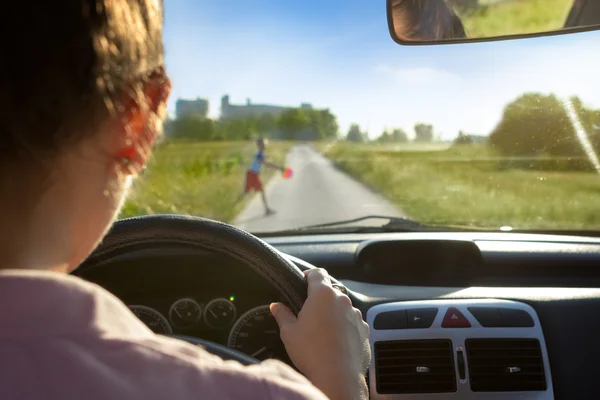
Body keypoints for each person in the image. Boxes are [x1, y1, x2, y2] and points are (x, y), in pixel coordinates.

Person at [0, 1, 370, 400]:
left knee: (256, 191)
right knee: (255, 191)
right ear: (138, 123)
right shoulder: (263, 393)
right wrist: (341, 379)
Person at [238, 137, 285, 215]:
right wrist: (279, 168)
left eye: (265, 143)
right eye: (263, 143)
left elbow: (267, 161)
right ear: (259, 145)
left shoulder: (261, 153)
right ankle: (267, 210)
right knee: (261, 191)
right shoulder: (260, 154)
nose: (265, 145)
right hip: (253, 174)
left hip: (252, 174)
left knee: (246, 192)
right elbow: (267, 164)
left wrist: (276, 166)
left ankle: (233, 204)